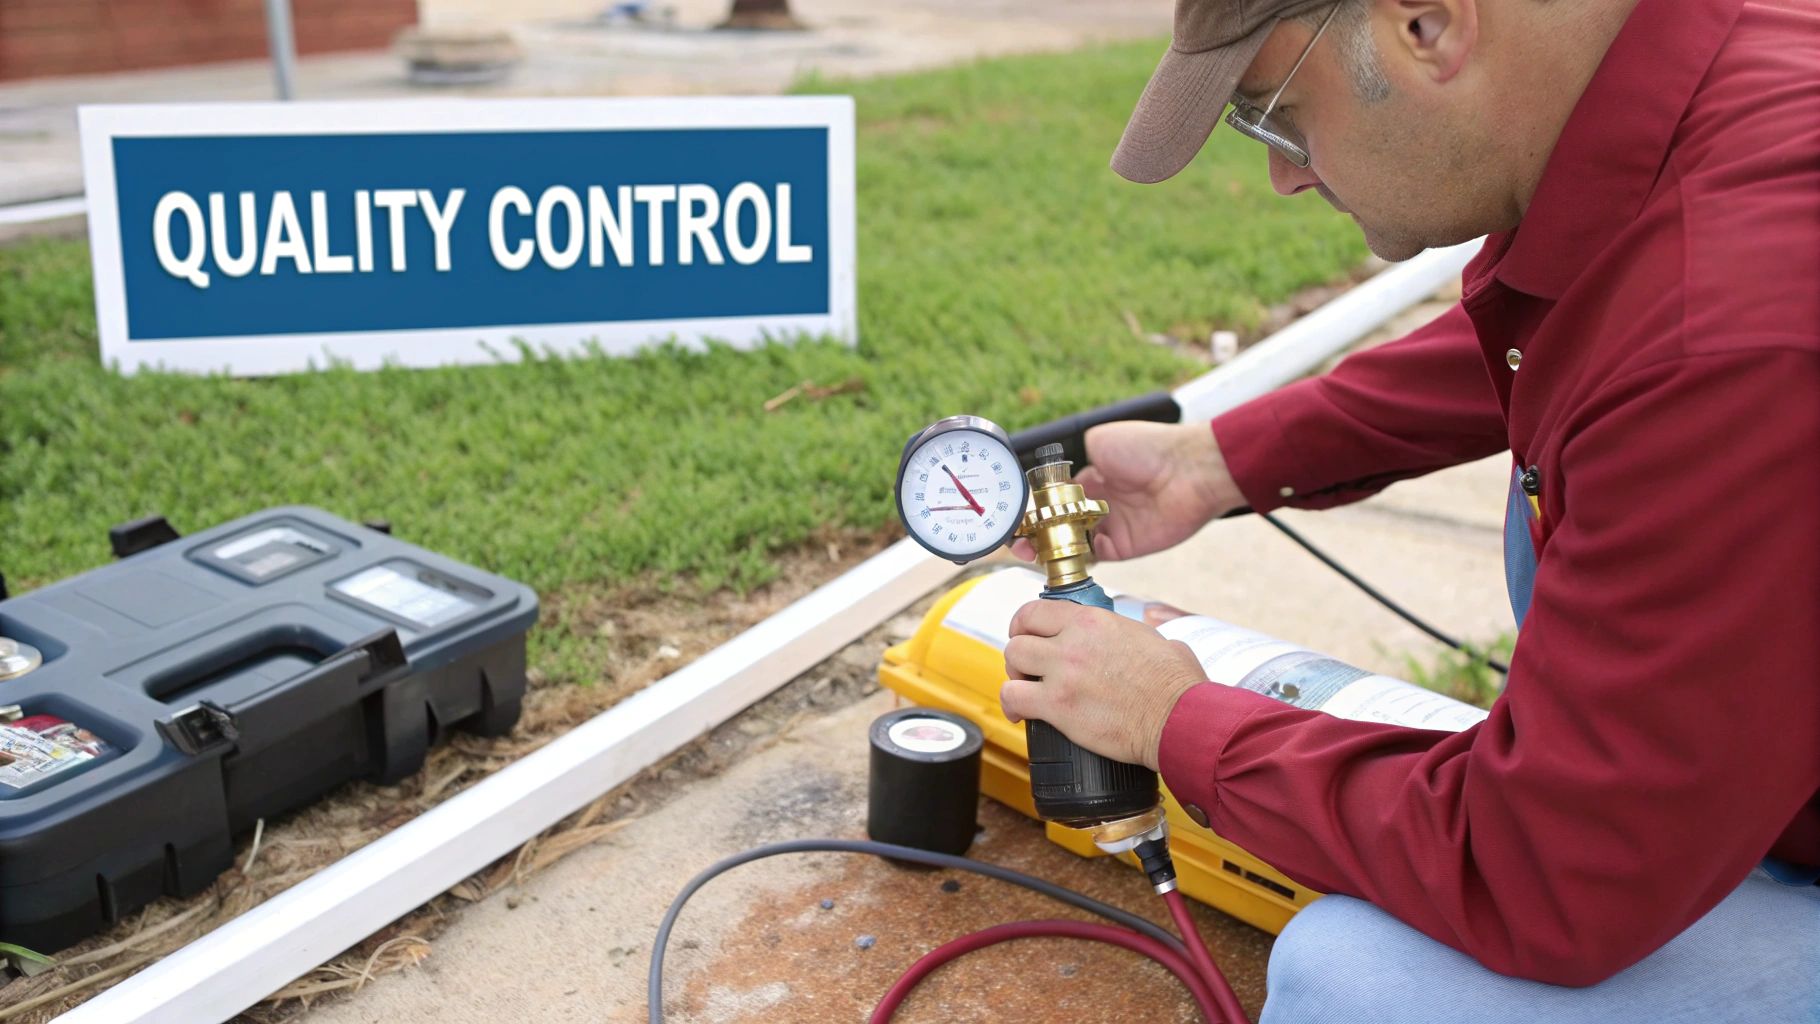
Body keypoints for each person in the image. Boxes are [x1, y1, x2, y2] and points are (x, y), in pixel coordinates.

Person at [997, 0, 1820, 1020]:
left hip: (1594, 858)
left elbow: (1541, 871)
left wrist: (1174, 718)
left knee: (1358, 982)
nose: (1284, 173)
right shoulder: (1718, 66)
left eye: (1275, 115)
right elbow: (1592, 326)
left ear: (1428, 24)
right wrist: (1211, 464)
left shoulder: (1737, 330)